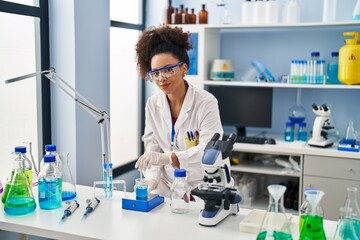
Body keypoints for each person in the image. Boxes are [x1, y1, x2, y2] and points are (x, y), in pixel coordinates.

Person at [134, 25, 223, 197]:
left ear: (184, 68)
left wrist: (170, 158)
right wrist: (152, 179)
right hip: (167, 187)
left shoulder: (206, 102)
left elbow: (209, 150)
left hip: (203, 186)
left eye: (168, 70)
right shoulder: (153, 104)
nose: (162, 78)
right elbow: (153, 148)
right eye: (155, 73)